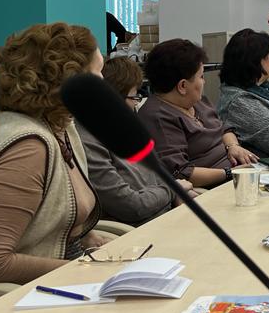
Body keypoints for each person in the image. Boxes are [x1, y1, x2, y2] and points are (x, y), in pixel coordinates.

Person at [0, 23, 109, 285]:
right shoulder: (28, 149)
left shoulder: (61, 127)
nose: (103, 81)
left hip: (55, 277)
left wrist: (87, 238)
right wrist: (82, 271)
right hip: (18, 294)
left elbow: (52, 217)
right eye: (97, 72)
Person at [77, 56, 191, 226]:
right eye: (134, 97)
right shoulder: (88, 141)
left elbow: (160, 175)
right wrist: (173, 190)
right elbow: (131, 206)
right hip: (140, 230)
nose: (136, 104)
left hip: (166, 215)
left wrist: (175, 194)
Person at [138, 39, 257, 187]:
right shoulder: (159, 118)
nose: (204, 82)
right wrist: (229, 173)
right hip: (214, 187)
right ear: (182, 86)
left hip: (236, 173)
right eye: (201, 76)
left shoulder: (197, 102)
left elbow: (224, 129)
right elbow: (181, 173)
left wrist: (233, 146)